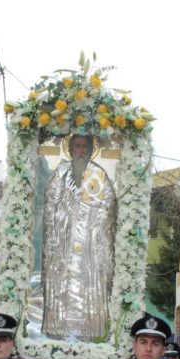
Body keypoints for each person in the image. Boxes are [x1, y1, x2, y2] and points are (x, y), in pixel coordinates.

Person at [41, 134, 117, 341]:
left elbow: (109, 205)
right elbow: (50, 202)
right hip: (64, 243)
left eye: (85, 147)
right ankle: (58, 331)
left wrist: (94, 217)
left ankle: (92, 332)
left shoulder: (98, 173)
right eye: (77, 146)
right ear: (71, 148)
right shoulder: (62, 171)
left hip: (89, 246)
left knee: (89, 284)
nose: (81, 151)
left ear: (91, 150)